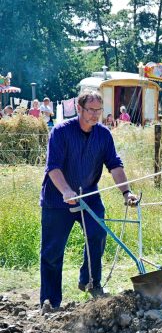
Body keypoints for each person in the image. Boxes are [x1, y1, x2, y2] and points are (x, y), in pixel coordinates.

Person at [39, 90, 139, 311]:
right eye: (91, 110)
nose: (95, 115)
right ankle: (50, 300)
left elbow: (114, 164)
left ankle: (90, 282)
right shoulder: (61, 132)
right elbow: (52, 167)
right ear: (79, 109)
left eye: (98, 110)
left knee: (97, 234)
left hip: (89, 196)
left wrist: (126, 193)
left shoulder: (103, 135)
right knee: (52, 252)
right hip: (57, 199)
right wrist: (66, 191)